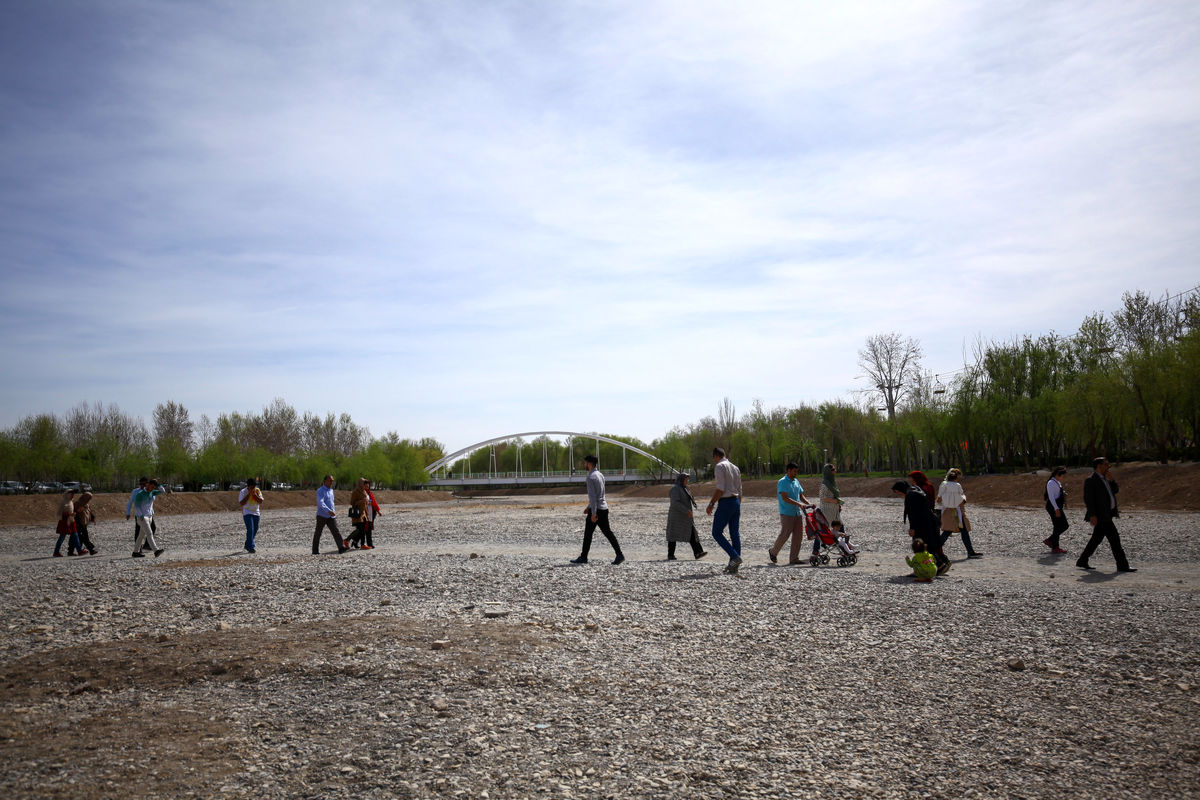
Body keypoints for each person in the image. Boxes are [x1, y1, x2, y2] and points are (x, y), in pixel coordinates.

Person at [1077, 457, 1135, 572]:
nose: (1108, 466)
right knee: (1115, 541)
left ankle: (1082, 560)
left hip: (1107, 515)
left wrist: (1112, 480)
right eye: (1106, 464)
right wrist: (1092, 515)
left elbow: (1115, 491)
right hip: (1101, 516)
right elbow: (1089, 499)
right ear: (1099, 466)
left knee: (1096, 540)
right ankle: (1122, 565)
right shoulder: (1091, 480)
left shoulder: (1106, 479)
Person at [571, 455, 625, 565]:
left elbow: (593, 496)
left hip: (597, 510)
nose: (584, 465)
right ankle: (619, 555)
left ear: (590, 463)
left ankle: (583, 557)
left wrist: (593, 513)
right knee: (608, 533)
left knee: (588, 534)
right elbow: (599, 495)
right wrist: (588, 507)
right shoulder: (600, 475)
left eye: (585, 463)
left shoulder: (590, 477)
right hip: (604, 508)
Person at [893, 480, 948, 575]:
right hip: (928, 522)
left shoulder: (911, 495)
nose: (899, 494)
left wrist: (912, 528)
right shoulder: (917, 490)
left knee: (920, 546)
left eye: (898, 492)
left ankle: (926, 567)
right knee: (927, 545)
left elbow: (913, 514)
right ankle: (939, 564)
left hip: (921, 525)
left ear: (901, 489)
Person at [706, 448, 743, 574]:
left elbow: (720, 488)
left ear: (716, 456)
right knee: (734, 533)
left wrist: (711, 503)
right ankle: (734, 567)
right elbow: (739, 488)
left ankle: (734, 557)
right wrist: (738, 504)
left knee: (716, 532)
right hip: (735, 501)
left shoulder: (720, 466)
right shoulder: (735, 467)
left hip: (725, 502)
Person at [768, 462, 814, 565]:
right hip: (787, 513)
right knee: (785, 534)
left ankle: (794, 558)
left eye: (796, 471)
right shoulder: (782, 482)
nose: (796, 473)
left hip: (797, 513)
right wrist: (799, 504)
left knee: (798, 536)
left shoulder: (796, 481)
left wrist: (809, 503)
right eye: (794, 471)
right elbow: (784, 497)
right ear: (788, 470)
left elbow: (801, 495)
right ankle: (773, 552)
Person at [936, 468, 982, 558]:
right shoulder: (957, 485)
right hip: (956, 510)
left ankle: (934, 550)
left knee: (951, 531)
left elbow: (939, 499)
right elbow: (961, 496)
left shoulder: (944, 485)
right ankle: (970, 552)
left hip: (949, 510)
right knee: (955, 531)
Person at [665, 473, 707, 560]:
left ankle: (698, 552)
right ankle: (670, 555)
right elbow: (675, 503)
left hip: (685, 516)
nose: (687, 481)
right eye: (686, 479)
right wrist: (686, 510)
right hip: (676, 516)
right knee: (673, 534)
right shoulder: (675, 489)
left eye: (688, 479)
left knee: (692, 532)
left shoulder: (685, 488)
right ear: (681, 479)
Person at [131, 479, 167, 558]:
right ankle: (156, 550)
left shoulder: (152, 492)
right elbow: (136, 506)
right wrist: (141, 516)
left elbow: (163, 491)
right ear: (148, 485)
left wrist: (158, 484)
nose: (152, 488)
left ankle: (135, 552)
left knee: (141, 535)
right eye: (152, 486)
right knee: (149, 533)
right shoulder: (140, 494)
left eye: (154, 487)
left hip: (150, 516)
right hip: (143, 517)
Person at [313, 474, 348, 555]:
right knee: (318, 533)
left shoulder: (331, 491)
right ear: (325, 481)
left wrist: (332, 512)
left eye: (332, 480)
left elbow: (331, 503)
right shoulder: (320, 491)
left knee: (336, 531)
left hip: (331, 516)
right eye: (330, 480)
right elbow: (320, 503)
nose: (332, 482)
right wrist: (328, 511)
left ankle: (341, 547)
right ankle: (315, 550)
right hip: (322, 515)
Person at [126, 477, 155, 552]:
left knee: (153, 527)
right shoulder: (135, 491)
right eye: (141, 484)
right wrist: (128, 512)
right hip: (139, 515)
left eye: (144, 484)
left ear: (147, 484)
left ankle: (146, 545)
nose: (142, 485)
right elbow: (130, 502)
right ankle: (139, 549)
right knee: (138, 531)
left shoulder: (151, 491)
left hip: (149, 514)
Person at [1044, 466, 1069, 553]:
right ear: (1058, 474)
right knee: (1062, 525)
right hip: (1053, 507)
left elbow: (1056, 493)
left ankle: (1053, 544)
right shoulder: (1051, 483)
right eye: (1063, 475)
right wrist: (1056, 509)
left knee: (1061, 526)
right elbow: (1051, 497)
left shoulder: (1057, 482)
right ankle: (1053, 544)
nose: (1063, 477)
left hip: (1057, 507)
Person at [53, 489, 81, 557]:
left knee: (75, 535)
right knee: (62, 537)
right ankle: (56, 552)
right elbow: (59, 513)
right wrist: (69, 515)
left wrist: (74, 513)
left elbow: (71, 511)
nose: (73, 495)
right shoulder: (63, 502)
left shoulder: (71, 502)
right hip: (64, 522)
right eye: (72, 494)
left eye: (73, 494)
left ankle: (79, 550)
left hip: (71, 521)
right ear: (68, 494)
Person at [238, 477, 263, 553]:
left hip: (256, 513)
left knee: (255, 529)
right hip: (247, 513)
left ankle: (247, 544)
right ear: (248, 486)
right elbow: (242, 503)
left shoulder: (257, 491)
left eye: (254, 487)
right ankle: (251, 547)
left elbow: (261, 501)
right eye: (252, 487)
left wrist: (255, 495)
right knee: (250, 529)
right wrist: (249, 494)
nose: (253, 488)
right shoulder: (243, 491)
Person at [346, 478, 371, 549]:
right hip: (358, 513)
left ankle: (356, 542)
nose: (365, 484)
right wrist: (362, 501)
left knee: (361, 530)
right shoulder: (355, 492)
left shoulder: (364, 492)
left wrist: (367, 513)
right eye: (364, 483)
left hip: (364, 513)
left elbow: (365, 504)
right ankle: (348, 540)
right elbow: (352, 503)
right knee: (360, 530)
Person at [365, 480, 383, 549]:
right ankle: (354, 541)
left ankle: (369, 543)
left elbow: (374, 503)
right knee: (364, 529)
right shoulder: (362, 493)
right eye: (366, 485)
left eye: (368, 485)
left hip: (371, 513)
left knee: (368, 528)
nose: (367, 486)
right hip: (365, 513)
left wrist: (378, 511)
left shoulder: (370, 493)